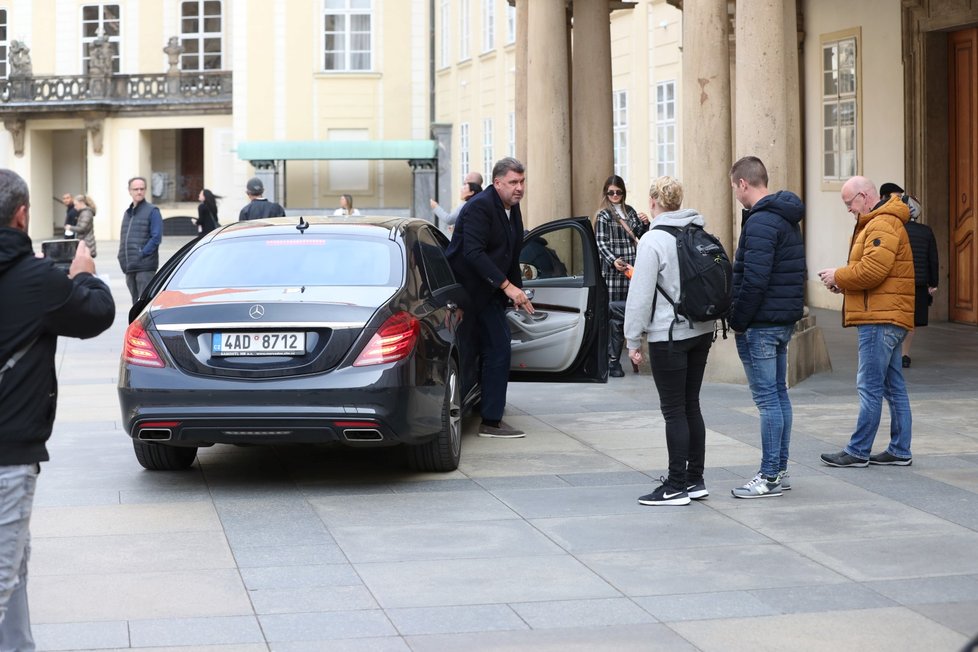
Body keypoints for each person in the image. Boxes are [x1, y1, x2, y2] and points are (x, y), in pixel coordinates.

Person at [0, 169, 115, 650]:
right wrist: (84, 275)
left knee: (14, 568)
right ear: (22, 215)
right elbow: (95, 315)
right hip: (8, 454)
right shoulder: (36, 281)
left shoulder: (35, 278)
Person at [624, 176, 716, 506]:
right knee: (691, 404)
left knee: (674, 410)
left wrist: (632, 340)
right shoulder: (702, 233)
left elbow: (640, 296)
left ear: (653, 202)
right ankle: (695, 480)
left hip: (669, 335)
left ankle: (675, 485)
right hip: (702, 330)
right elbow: (719, 269)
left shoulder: (653, 241)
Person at [817, 176, 915, 468]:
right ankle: (899, 449)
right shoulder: (880, 221)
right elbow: (873, 271)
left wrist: (839, 275)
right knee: (892, 386)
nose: (848, 209)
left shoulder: (882, 223)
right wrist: (843, 283)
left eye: (849, 203)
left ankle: (858, 450)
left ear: (863, 196)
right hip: (888, 315)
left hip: (880, 319)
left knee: (869, 386)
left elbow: (873, 270)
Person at [728, 156, 806, 498]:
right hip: (781, 319)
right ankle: (780, 469)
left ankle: (770, 474)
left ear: (744, 183)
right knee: (778, 396)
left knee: (768, 401)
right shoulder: (786, 217)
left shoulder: (760, 222)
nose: (734, 193)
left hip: (761, 323)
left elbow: (754, 280)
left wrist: (737, 320)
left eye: (734, 187)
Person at [446, 157, 533, 439]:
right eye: (513, 183)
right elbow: (472, 253)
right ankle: (491, 421)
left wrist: (517, 292)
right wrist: (507, 286)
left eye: (522, 182)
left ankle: (485, 408)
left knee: (490, 349)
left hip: (492, 293)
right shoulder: (479, 207)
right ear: (497, 183)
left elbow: (510, 253)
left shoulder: (512, 207)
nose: (519, 188)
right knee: (497, 348)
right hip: (470, 294)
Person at [595, 175, 650, 377]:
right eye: (611, 192)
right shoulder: (604, 215)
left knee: (633, 313)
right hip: (613, 273)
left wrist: (645, 223)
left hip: (633, 271)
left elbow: (642, 237)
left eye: (618, 192)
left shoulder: (631, 212)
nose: (615, 195)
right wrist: (612, 260)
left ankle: (633, 357)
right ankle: (613, 361)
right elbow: (601, 243)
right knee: (615, 319)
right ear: (606, 193)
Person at [879, 182, 938, 368]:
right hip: (919, 283)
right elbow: (933, 259)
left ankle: (892, 351)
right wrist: (933, 283)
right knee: (911, 320)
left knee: (895, 317)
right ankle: (905, 354)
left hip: (897, 281)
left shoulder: (894, 229)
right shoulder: (926, 231)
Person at [117, 176, 163, 304]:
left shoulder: (152, 211)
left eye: (142, 189)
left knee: (144, 304)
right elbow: (124, 238)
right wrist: (121, 257)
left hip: (145, 266)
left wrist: (142, 253)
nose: (139, 192)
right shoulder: (128, 213)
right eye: (135, 189)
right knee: (135, 305)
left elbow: (156, 237)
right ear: (129, 191)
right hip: (129, 266)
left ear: (145, 190)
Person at [71, 194, 98, 258]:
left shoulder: (86, 213)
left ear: (81, 203)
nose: (75, 207)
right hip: (85, 242)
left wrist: (70, 227)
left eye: (76, 204)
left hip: (86, 243)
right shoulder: (84, 213)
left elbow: (82, 228)